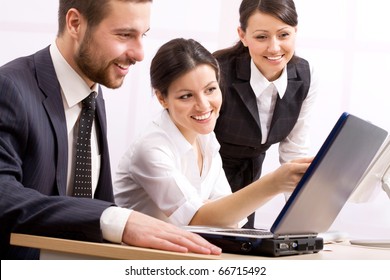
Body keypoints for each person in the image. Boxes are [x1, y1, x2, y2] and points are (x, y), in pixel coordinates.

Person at [0, 0, 221, 260]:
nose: (139, 54)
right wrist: (116, 219)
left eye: (143, 35)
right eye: (125, 35)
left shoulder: (92, 95)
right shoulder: (10, 87)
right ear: (75, 24)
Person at [114, 38, 312, 228]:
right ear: (162, 99)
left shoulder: (205, 138)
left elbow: (230, 219)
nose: (203, 105)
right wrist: (274, 183)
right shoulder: (151, 149)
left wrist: (213, 212)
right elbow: (199, 220)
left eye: (210, 90)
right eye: (186, 96)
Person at [212, 0, 319, 228]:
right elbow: (198, 146)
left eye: (283, 35)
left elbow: (294, 151)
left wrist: (299, 222)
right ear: (243, 35)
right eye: (261, 37)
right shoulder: (217, 71)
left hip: (251, 181)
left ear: (295, 32)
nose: (274, 48)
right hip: (205, 177)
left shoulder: (305, 76)